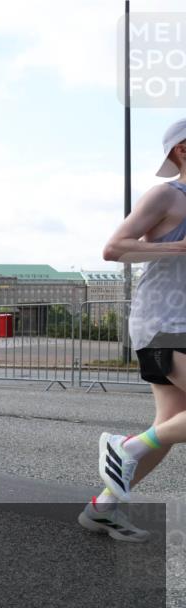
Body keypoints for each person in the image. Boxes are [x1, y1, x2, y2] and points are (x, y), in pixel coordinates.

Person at [85, 117, 186, 542]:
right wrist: (177, 246)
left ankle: (103, 508)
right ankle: (126, 447)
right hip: (162, 322)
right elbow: (114, 248)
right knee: (158, 433)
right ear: (182, 150)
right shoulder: (167, 195)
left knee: (167, 427)